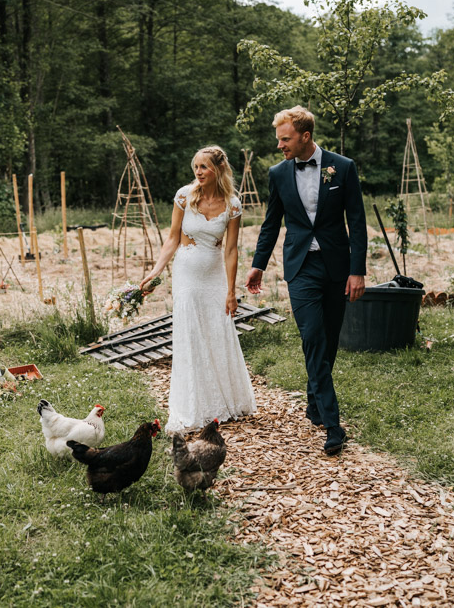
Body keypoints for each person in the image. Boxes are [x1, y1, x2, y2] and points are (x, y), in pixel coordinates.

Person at [244, 106, 367, 456]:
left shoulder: (342, 168)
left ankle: (315, 399)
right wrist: (259, 264)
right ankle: (332, 424)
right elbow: (271, 223)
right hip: (300, 268)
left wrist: (357, 271)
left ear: (305, 136)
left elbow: (356, 222)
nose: (280, 145)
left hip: (337, 266)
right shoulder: (278, 173)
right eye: (279, 139)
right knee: (312, 337)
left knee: (327, 340)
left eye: (285, 139)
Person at [140, 145, 256, 434]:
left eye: (204, 167)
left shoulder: (233, 204)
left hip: (215, 277)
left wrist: (231, 291)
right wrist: (155, 271)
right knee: (191, 334)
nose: (198, 172)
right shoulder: (184, 196)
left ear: (218, 169)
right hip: (187, 276)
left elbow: (231, 250)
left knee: (218, 331)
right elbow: (172, 239)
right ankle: (194, 406)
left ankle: (223, 401)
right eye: (196, 167)